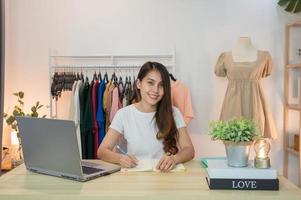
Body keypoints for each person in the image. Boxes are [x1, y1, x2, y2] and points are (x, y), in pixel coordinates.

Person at [97, 61, 195, 172]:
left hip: (164, 177)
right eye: (150, 83)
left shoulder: (174, 113)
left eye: (161, 85)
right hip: (134, 177)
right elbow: (102, 151)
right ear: (139, 83)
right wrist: (120, 158)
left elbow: (189, 150)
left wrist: (175, 159)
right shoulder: (123, 114)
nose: (156, 90)